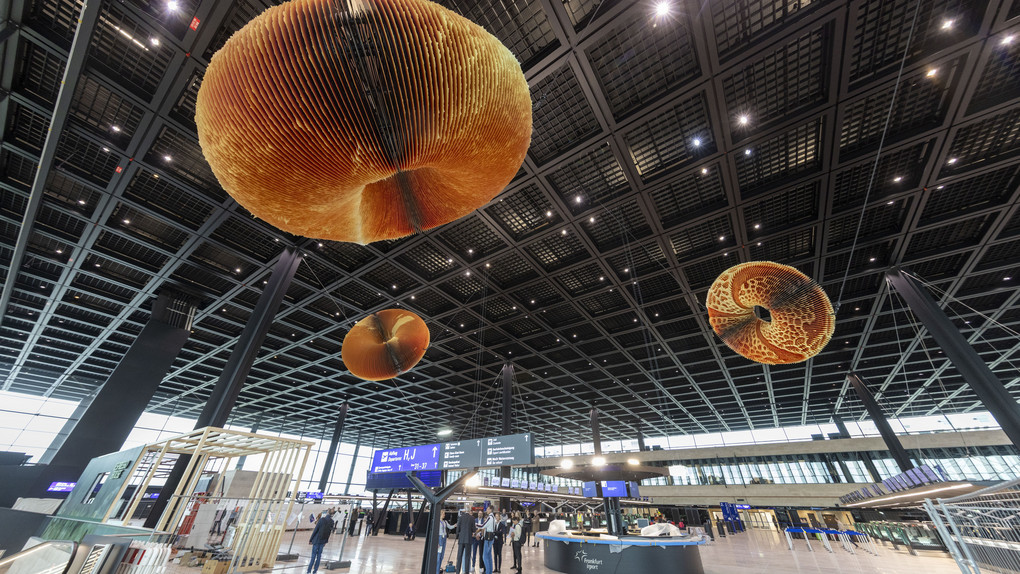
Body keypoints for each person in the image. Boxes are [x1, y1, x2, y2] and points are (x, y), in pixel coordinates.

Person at [456, 506, 475, 574]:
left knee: (459, 556)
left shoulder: (461, 517)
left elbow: (458, 528)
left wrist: (458, 535)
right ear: (469, 511)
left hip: (461, 540)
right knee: (467, 556)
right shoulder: (472, 518)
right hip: (468, 539)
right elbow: (474, 529)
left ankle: (457, 571)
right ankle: (466, 572)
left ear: (464, 510)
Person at [436, 509, 455, 574]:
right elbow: (436, 532)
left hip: (444, 538)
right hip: (440, 538)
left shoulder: (445, 522)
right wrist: (437, 542)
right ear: (440, 514)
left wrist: (455, 525)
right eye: (443, 514)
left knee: (442, 556)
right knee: (438, 556)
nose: (444, 515)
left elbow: (450, 527)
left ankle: (438, 569)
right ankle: (436, 571)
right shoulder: (438, 522)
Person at [481, 508, 496, 574]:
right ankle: (489, 572)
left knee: (485, 557)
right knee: (489, 556)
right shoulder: (493, 518)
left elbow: (483, 526)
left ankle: (487, 572)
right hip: (491, 538)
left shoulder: (489, 518)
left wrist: (475, 524)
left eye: (487, 509)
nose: (486, 510)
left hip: (488, 539)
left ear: (490, 510)